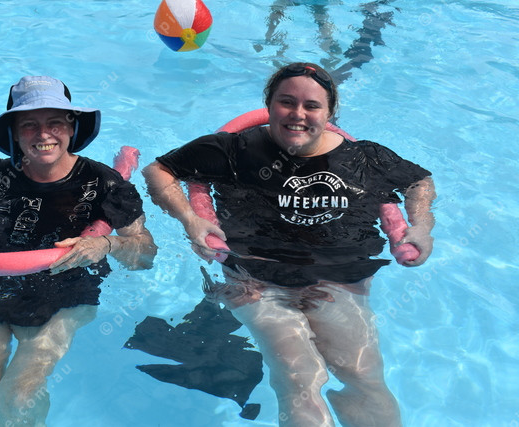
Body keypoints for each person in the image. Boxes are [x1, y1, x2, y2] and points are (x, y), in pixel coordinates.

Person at [142, 62, 435, 427]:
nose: (298, 114)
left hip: (340, 280)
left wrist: (421, 226)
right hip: (256, 281)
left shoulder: (365, 158)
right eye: (286, 102)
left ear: (330, 112)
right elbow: (157, 171)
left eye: (312, 106)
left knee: (364, 376)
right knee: (301, 376)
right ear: (269, 105)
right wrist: (190, 219)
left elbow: (419, 181)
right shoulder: (233, 150)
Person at [0, 76, 157, 426]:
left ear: (72, 128)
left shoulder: (106, 184)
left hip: (68, 294)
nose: (44, 134)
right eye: (29, 124)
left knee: (19, 398)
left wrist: (107, 244)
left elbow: (145, 255)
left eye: (55, 122)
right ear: (14, 134)